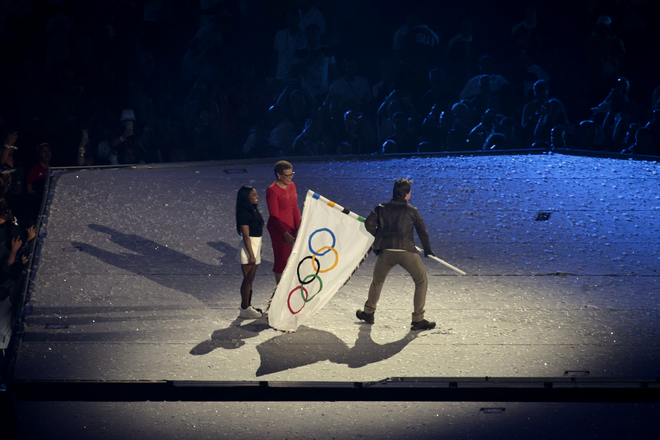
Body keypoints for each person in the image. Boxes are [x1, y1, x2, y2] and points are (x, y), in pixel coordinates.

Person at [356, 178, 436, 331]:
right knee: (421, 282)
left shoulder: (381, 208)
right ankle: (418, 319)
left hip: (386, 251)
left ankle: (368, 313)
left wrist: (380, 236)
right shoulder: (412, 210)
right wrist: (427, 250)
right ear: (406, 194)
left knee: (377, 281)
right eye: (410, 192)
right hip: (406, 251)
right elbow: (422, 232)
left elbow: (368, 224)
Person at [266, 161, 301, 284]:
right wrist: (285, 233)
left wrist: (300, 226)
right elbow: (274, 215)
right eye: (287, 175)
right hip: (279, 228)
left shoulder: (292, 185)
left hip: (293, 226)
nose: (290, 177)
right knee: (282, 259)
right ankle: (280, 292)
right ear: (279, 175)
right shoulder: (272, 190)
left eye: (292, 174)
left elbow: (294, 207)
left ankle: (291, 287)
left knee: (294, 257)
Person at [235, 185, 265, 319]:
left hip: (256, 246)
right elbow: (246, 236)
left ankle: (248, 306)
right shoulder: (244, 213)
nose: (257, 197)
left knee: (250, 279)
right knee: (248, 279)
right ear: (246, 198)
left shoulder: (252, 210)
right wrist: (252, 254)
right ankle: (244, 307)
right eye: (253, 195)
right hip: (249, 248)